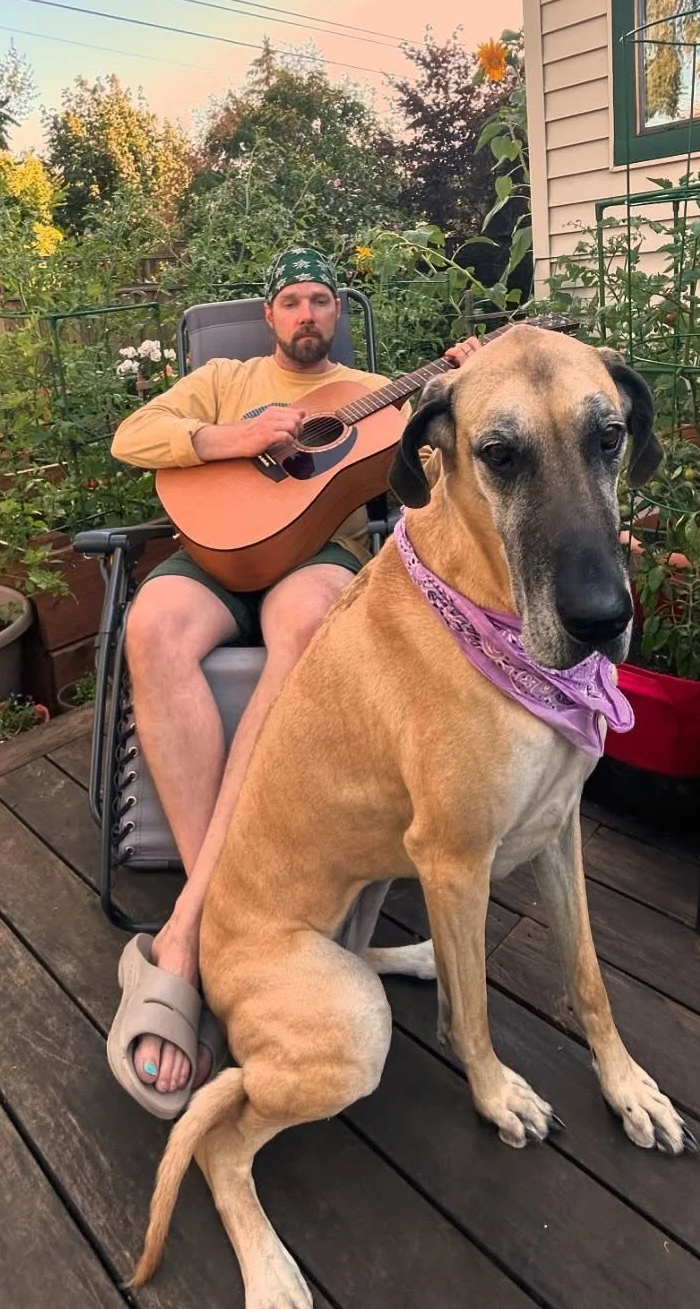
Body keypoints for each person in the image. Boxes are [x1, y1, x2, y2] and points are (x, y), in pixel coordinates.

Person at [106, 244, 481, 1112]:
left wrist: (462, 387)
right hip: (211, 556)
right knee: (152, 627)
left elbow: (440, 478)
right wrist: (237, 437)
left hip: (316, 558)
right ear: (268, 315)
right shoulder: (225, 377)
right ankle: (219, 912)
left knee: (310, 624)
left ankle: (191, 940)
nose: (307, 313)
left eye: (321, 299)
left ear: (336, 313)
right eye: (291, 301)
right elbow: (134, 437)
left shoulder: (379, 393)